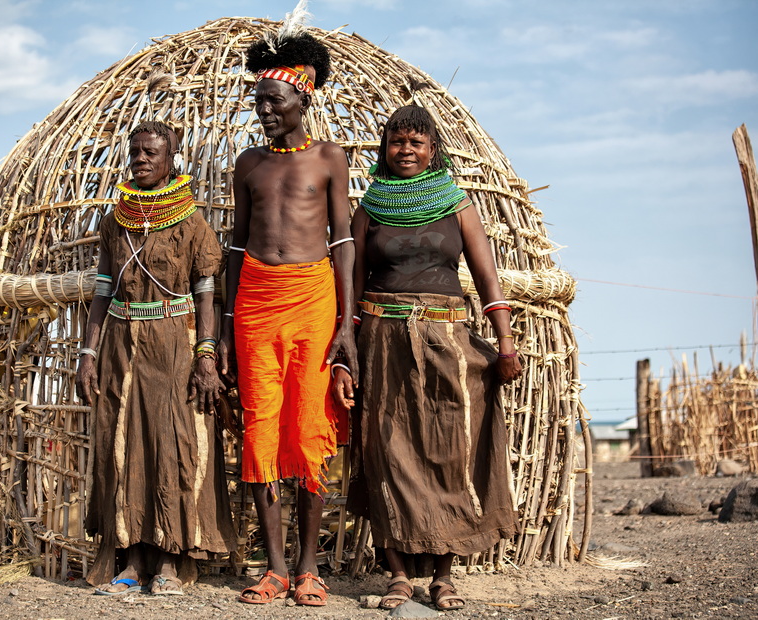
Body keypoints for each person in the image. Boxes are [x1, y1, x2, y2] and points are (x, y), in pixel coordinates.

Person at [334, 105, 521, 611]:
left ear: (433, 150)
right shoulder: (369, 209)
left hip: (446, 339)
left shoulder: (457, 205)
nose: (406, 151)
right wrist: (345, 355)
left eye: (416, 143)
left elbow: (487, 280)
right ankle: (396, 575)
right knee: (385, 450)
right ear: (384, 149)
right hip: (382, 340)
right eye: (397, 143)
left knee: (449, 451)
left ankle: (443, 573)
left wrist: (504, 343)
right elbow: (350, 292)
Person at [217, 25, 357, 606]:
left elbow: (344, 240)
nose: (265, 111)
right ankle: (272, 567)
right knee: (262, 432)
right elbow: (234, 245)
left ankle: (308, 566)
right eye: (258, 103)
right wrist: (224, 326)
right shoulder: (248, 164)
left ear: (304, 98)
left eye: (274, 101)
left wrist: (347, 324)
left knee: (309, 427)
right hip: (254, 300)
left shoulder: (329, 158)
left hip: (313, 298)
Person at [76, 120, 234, 596]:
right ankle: (131, 559)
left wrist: (206, 358)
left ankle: (168, 561)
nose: (142, 160)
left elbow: (207, 298)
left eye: (152, 153)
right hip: (121, 346)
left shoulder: (192, 224)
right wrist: (88, 353)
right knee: (123, 446)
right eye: (136, 152)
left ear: (171, 160)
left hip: (174, 345)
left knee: (172, 446)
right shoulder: (114, 223)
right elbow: (102, 295)